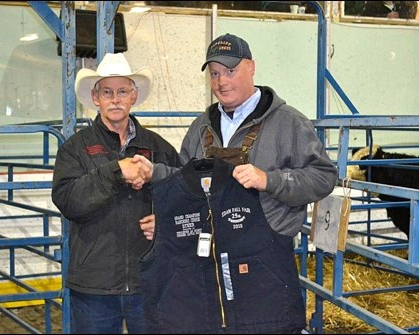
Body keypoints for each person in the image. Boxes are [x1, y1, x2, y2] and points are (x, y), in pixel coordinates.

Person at [139, 34, 338, 333]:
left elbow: (323, 176)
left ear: (251, 67)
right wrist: (168, 221)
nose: (221, 81)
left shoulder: (288, 122)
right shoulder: (201, 127)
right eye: (215, 74)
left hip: (265, 269)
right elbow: (185, 186)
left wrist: (270, 180)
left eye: (230, 71)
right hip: (208, 267)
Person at [52, 52, 181, 334]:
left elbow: (184, 199)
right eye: (107, 92)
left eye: (122, 91)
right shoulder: (75, 148)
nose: (115, 98)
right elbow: (69, 201)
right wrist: (116, 172)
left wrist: (165, 222)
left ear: (134, 96)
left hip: (149, 280)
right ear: (95, 98)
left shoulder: (160, 148)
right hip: (94, 284)